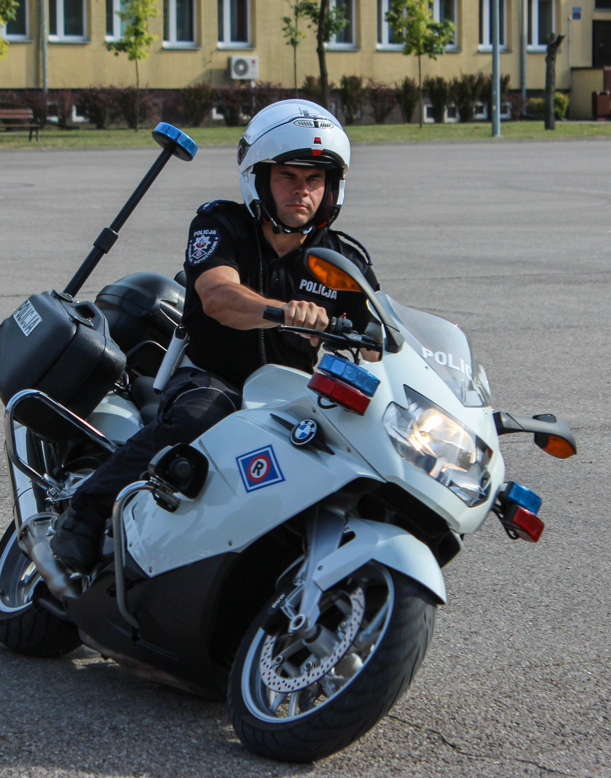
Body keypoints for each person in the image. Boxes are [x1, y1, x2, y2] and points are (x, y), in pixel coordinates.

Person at [50, 99, 380, 573]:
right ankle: (86, 512)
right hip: (213, 377)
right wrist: (288, 312)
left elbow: (382, 336)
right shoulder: (221, 224)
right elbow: (219, 297)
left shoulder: (342, 258)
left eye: (315, 180)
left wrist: (376, 343)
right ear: (260, 177)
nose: (302, 192)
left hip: (292, 398)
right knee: (195, 420)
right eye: (289, 177)